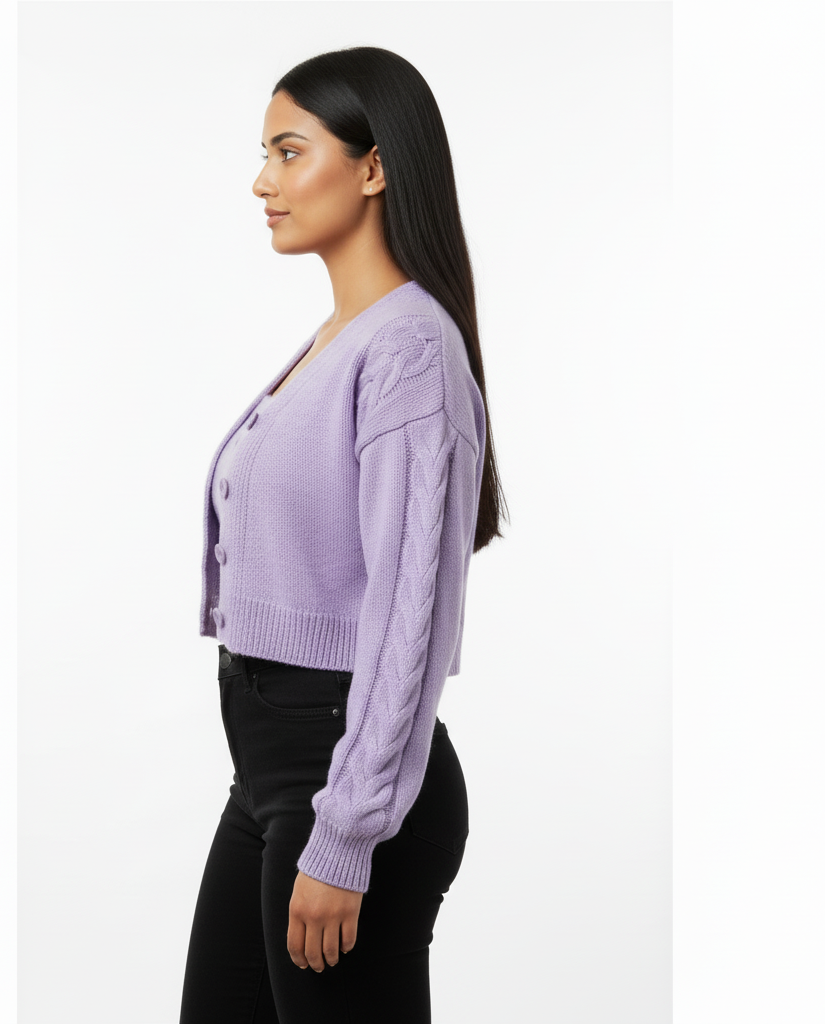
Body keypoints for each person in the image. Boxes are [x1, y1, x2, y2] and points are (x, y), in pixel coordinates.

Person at [178, 46, 508, 1024]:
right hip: (273, 773)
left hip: (345, 775)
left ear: (373, 167)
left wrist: (348, 833)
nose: (262, 181)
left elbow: (409, 612)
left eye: (289, 152)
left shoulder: (408, 347)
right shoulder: (345, 338)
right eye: (264, 155)